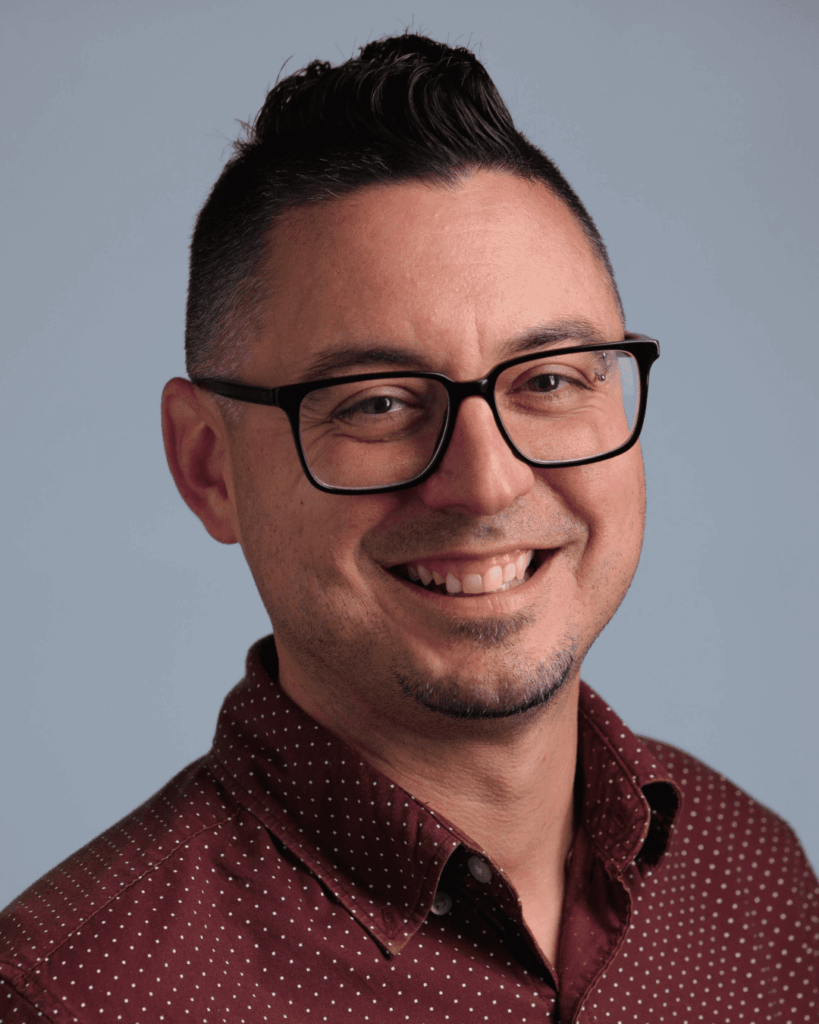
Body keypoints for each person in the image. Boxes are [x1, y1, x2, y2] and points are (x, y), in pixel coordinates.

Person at [1, 32, 816, 1023]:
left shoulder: (757, 876)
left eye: (549, 381)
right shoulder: (67, 996)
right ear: (208, 464)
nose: (486, 483)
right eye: (378, 403)